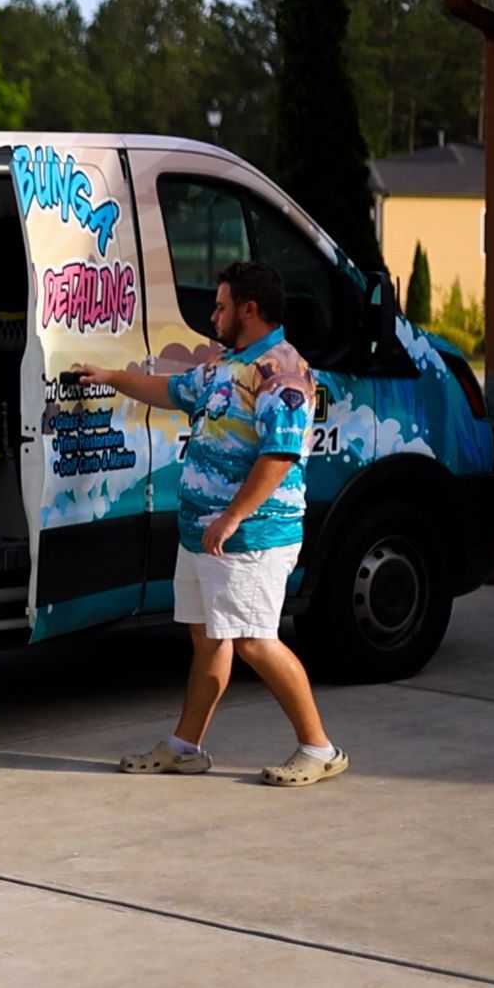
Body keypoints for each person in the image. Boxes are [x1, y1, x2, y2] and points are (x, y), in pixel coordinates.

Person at [73, 260, 347, 787]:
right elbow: (171, 390)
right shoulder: (227, 363)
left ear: (249, 309)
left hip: (249, 536)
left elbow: (280, 457)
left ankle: (320, 748)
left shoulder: (283, 374)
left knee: (251, 639)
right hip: (206, 534)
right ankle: (185, 747)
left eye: (221, 305)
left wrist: (231, 518)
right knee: (208, 639)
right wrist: (110, 378)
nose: (213, 313)